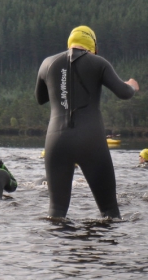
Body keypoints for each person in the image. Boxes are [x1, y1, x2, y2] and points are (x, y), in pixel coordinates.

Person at [36, 26, 139, 219]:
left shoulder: (47, 63)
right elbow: (124, 93)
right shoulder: (99, 63)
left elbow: (40, 98)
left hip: (56, 140)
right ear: (93, 46)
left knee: (56, 213)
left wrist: (62, 88)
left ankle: (58, 248)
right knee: (109, 212)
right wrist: (132, 85)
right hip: (91, 140)